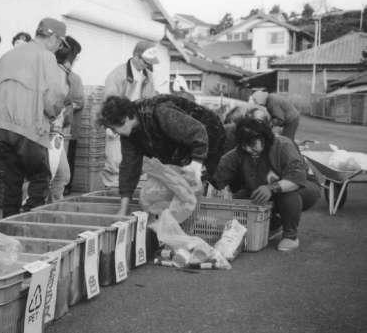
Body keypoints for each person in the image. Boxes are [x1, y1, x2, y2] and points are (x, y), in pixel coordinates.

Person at [98, 94, 225, 215]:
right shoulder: (128, 134)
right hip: (178, 145)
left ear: (124, 119)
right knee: (174, 185)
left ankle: (192, 223)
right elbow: (129, 168)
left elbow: (198, 132)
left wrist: (196, 164)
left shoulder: (160, 112)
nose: (114, 133)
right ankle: (174, 224)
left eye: (114, 129)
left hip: (209, 134)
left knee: (191, 186)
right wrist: (123, 209)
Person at [0, 17, 67, 217]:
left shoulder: (7, 56)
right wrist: (53, 115)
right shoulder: (46, 57)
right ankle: (31, 223)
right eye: (60, 43)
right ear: (53, 38)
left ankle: (7, 226)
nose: (58, 47)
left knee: (11, 183)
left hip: (2, 128)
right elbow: (55, 97)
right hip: (31, 129)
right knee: (40, 178)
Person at [212, 117, 320, 252]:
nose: (248, 149)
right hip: (264, 187)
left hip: (303, 187)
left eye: (252, 144)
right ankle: (273, 224)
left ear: (264, 138)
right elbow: (217, 174)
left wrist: (271, 188)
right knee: (239, 198)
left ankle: (291, 236)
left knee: (286, 195)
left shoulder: (283, 145)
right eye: (243, 145)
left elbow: (297, 178)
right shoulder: (239, 153)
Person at [102, 41, 160, 187]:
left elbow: (150, 101)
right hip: (118, 123)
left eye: (149, 63)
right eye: (145, 62)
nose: (147, 66)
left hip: (137, 126)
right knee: (114, 164)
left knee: (137, 164)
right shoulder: (117, 74)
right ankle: (112, 192)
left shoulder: (148, 76)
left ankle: (130, 195)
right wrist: (110, 126)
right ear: (136, 56)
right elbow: (109, 102)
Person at [51, 36, 84, 198]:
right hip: (47, 132)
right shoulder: (55, 72)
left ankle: (52, 210)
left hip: (57, 132)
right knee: (50, 176)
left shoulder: (66, 75)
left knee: (61, 175)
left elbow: (75, 102)